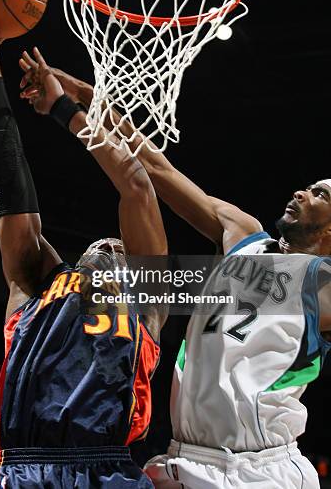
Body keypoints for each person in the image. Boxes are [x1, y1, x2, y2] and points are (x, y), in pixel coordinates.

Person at [29, 61, 331, 488]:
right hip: (185, 460)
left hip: (260, 470)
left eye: (320, 194)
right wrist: (78, 99)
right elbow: (155, 168)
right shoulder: (243, 235)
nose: (302, 191)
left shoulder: (322, 282)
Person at [0, 0, 168, 489]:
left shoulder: (148, 302)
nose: (114, 247)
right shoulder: (35, 282)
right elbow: (6, 170)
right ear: (78, 257)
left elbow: (136, 183)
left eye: (121, 249)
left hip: (103, 470)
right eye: (106, 245)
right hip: (22, 468)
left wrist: (64, 110)